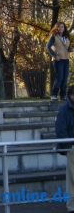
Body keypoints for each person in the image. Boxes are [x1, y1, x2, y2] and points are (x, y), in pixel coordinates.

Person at [55, 84, 74, 213]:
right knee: (72, 177)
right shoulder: (64, 109)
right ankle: (71, 206)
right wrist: (68, 147)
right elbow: (60, 129)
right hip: (72, 147)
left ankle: (71, 206)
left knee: (71, 178)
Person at [47, 21, 73, 101]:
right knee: (59, 78)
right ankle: (54, 94)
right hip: (58, 60)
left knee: (65, 79)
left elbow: (67, 48)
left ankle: (63, 95)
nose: (61, 28)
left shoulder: (66, 37)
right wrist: (55, 55)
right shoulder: (54, 36)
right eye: (59, 27)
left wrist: (71, 49)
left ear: (64, 28)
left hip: (66, 59)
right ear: (56, 28)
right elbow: (48, 47)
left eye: (62, 27)